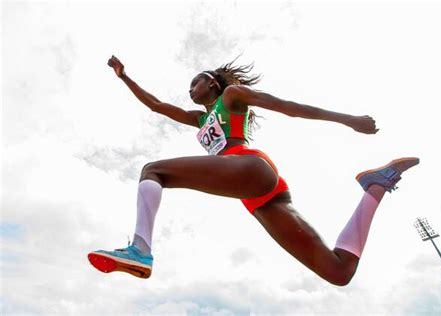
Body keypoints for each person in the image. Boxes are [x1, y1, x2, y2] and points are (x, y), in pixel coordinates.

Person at [88, 55, 419, 285]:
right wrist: (124, 77)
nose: (190, 90)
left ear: (214, 83)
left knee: (153, 170)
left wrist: (349, 120)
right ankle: (376, 186)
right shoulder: (199, 119)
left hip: (249, 166)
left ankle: (140, 251)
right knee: (338, 272)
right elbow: (157, 106)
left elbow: (287, 106)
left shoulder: (232, 96)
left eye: (196, 83)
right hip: (260, 197)